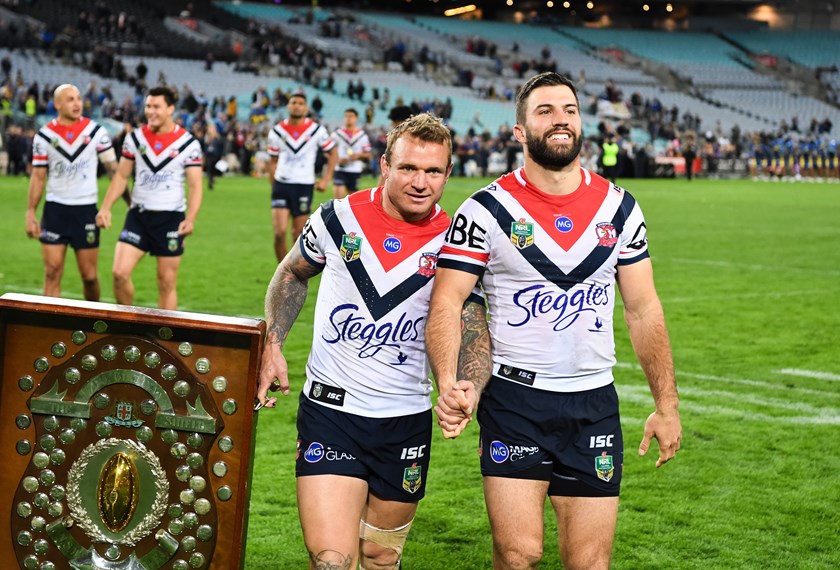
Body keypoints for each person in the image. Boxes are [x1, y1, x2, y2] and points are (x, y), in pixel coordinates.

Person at [426, 72, 682, 570]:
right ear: (520, 131)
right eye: (544, 111)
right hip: (516, 400)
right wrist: (448, 381)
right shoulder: (485, 209)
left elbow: (643, 308)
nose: (559, 119)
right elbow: (447, 303)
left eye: (568, 109)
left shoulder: (622, 208)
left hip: (594, 401)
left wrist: (665, 405)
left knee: (590, 562)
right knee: (519, 553)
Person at [256, 113, 488, 570]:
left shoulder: (458, 240)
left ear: (448, 174)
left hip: (406, 419)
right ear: (385, 166)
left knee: (381, 557)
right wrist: (273, 343)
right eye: (408, 169)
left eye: (433, 171)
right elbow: (291, 274)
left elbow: (475, 323)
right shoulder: (338, 218)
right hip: (331, 412)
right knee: (331, 561)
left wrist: (468, 384)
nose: (420, 182)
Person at [95, 85, 204, 310]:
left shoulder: (188, 144)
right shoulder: (134, 138)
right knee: (119, 273)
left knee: (166, 283)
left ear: (170, 109)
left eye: (156, 106)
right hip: (139, 216)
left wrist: (191, 218)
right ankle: (128, 325)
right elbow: (122, 176)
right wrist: (105, 207)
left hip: (171, 218)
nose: (150, 111)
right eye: (148, 106)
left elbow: (195, 185)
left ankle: (164, 337)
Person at [25, 83, 118, 301]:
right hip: (55, 210)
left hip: (86, 211)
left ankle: (94, 322)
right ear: (57, 104)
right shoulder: (44, 137)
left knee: (89, 276)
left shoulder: (96, 132)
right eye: (70, 99)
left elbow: (115, 172)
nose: (77, 103)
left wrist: (112, 205)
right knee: (52, 272)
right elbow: (38, 177)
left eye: (78, 98)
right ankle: (49, 327)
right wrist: (31, 213)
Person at [267, 93, 337, 263]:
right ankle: (282, 271)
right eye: (293, 102)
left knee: (298, 234)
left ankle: (293, 273)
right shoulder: (277, 131)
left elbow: (333, 153)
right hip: (282, 184)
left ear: (306, 108)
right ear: (288, 106)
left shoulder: (316, 131)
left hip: (304, 185)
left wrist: (326, 179)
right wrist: (273, 183)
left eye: (300, 103)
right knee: (279, 232)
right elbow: (272, 160)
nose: (297, 105)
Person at [331, 108, 372, 199]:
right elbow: (328, 152)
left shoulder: (362, 135)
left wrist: (358, 156)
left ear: (356, 118)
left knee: (353, 201)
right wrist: (337, 159)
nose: (348, 118)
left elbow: (368, 154)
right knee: (337, 200)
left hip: (355, 170)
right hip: (340, 169)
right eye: (346, 116)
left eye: (351, 116)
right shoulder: (337, 134)